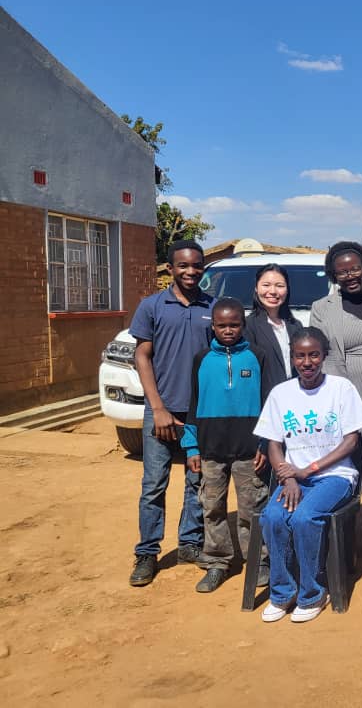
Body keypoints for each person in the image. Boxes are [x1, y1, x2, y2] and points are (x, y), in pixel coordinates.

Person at [254, 327, 362, 623]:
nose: (307, 362)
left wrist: (309, 469)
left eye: (314, 355)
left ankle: (313, 593)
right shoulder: (281, 393)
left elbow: (352, 440)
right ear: (292, 358)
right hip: (294, 479)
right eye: (300, 356)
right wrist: (288, 478)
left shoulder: (341, 388)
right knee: (273, 517)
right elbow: (274, 443)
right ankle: (282, 593)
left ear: (324, 356)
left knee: (306, 517)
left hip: (335, 477)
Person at [128, 240, 214, 587]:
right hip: (162, 412)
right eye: (183, 266)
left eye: (196, 265)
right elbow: (142, 356)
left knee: (198, 481)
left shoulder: (212, 307)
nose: (190, 271)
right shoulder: (151, 306)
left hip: (200, 414)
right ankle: (147, 552)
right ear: (170, 268)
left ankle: (190, 543)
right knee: (154, 484)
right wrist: (158, 408)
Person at [180, 298, 269, 593]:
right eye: (222, 325)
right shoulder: (201, 359)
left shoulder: (257, 356)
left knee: (251, 509)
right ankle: (217, 562)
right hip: (211, 448)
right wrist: (192, 446)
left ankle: (258, 561)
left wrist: (266, 444)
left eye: (234, 325)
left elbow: (270, 404)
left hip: (249, 448)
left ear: (243, 325)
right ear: (213, 326)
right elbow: (193, 404)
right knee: (212, 507)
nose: (228, 330)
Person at [309, 241, 362, 468]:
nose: (350, 276)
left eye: (355, 269)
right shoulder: (321, 308)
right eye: (342, 272)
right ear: (333, 276)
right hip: (343, 393)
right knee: (351, 458)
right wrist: (348, 395)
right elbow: (323, 354)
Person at [244, 263, 304, 393]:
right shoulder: (248, 326)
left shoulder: (295, 325)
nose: (273, 292)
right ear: (256, 288)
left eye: (279, 286)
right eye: (266, 285)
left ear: (287, 289)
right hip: (265, 400)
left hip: (295, 396)